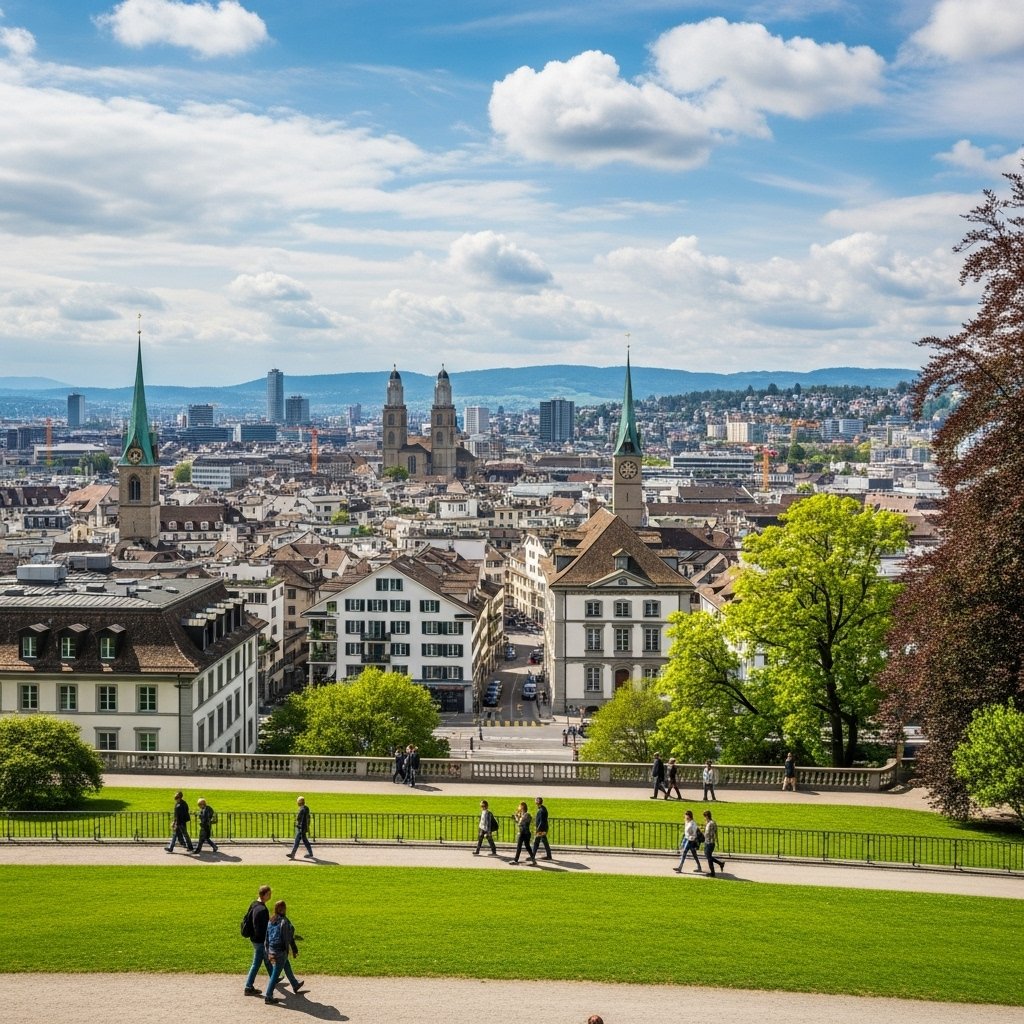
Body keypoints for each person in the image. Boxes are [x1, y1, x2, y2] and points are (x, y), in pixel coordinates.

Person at [263, 899, 305, 1004]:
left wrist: (268, 950)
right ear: (284, 909)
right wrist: (294, 950)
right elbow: (289, 938)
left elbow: (267, 938)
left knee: (286, 964)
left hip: (271, 950)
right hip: (280, 952)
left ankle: (295, 984)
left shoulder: (271, 920)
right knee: (275, 973)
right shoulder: (284, 922)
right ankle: (268, 996)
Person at [243, 884, 273, 996]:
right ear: (264, 895)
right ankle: (248, 986)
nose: (270, 896)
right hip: (260, 941)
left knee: (267, 960)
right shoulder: (262, 910)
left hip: (255, 939)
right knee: (256, 963)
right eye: (269, 894)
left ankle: (274, 977)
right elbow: (260, 929)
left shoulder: (254, 904)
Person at [702, 809, 726, 877]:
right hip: (711, 842)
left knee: (708, 857)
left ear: (707, 816)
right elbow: (715, 832)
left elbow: (707, 833)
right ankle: (716, 868)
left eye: (704, 816)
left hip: (709, 842)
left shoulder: (710, 824)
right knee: (709, 857)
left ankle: (715, 869)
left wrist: (702, 833)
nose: (704, 818)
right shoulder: (712, 822)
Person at [511, 800, 535, 864]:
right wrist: (516, 818)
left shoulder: (526, 815)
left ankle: (516, 860)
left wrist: (517, 817)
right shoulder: (524, 815)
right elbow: (519, 822)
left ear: (522, 807)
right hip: (525, 833)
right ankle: (533, 860)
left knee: (522, 846)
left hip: (524, 833)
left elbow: (520, 823)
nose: (519, 808)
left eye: (520, 807)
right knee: (526, 846)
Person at [531, 796, 552, 861]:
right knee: (544, 842)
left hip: (541, 829)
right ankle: (549, 856)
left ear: (537, 802)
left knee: (536, 842)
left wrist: (538, 830)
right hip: (543, 829)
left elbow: (542, 821)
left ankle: (532, 856)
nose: (535, 801)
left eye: (536, 800)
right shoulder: (542, 809)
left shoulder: (541, 810)